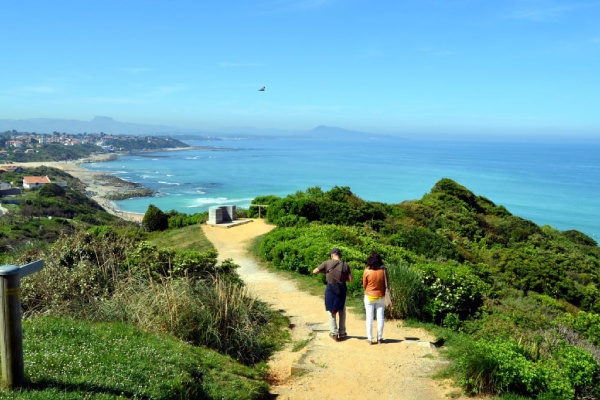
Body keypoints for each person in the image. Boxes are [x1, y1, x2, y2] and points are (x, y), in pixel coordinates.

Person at [313, 247, 353, 341]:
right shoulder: (345, 265)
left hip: (331, 289)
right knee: (342, 311)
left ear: (332, 255)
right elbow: (350, 280)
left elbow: (315, 271)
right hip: (342, 289)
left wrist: (326, 272)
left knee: (331, 311)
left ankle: (334, 333)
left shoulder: (327, 263)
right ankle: (342, 332)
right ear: (339, 255)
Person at [362, 251, 388, 344]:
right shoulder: (384, 270)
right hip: (381, 295)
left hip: (369, 296)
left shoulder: (367, 271)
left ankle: (370, 339)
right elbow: (387, 284)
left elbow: (364, 285)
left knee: (369, 318)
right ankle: (379, 338)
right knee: (380, 317)